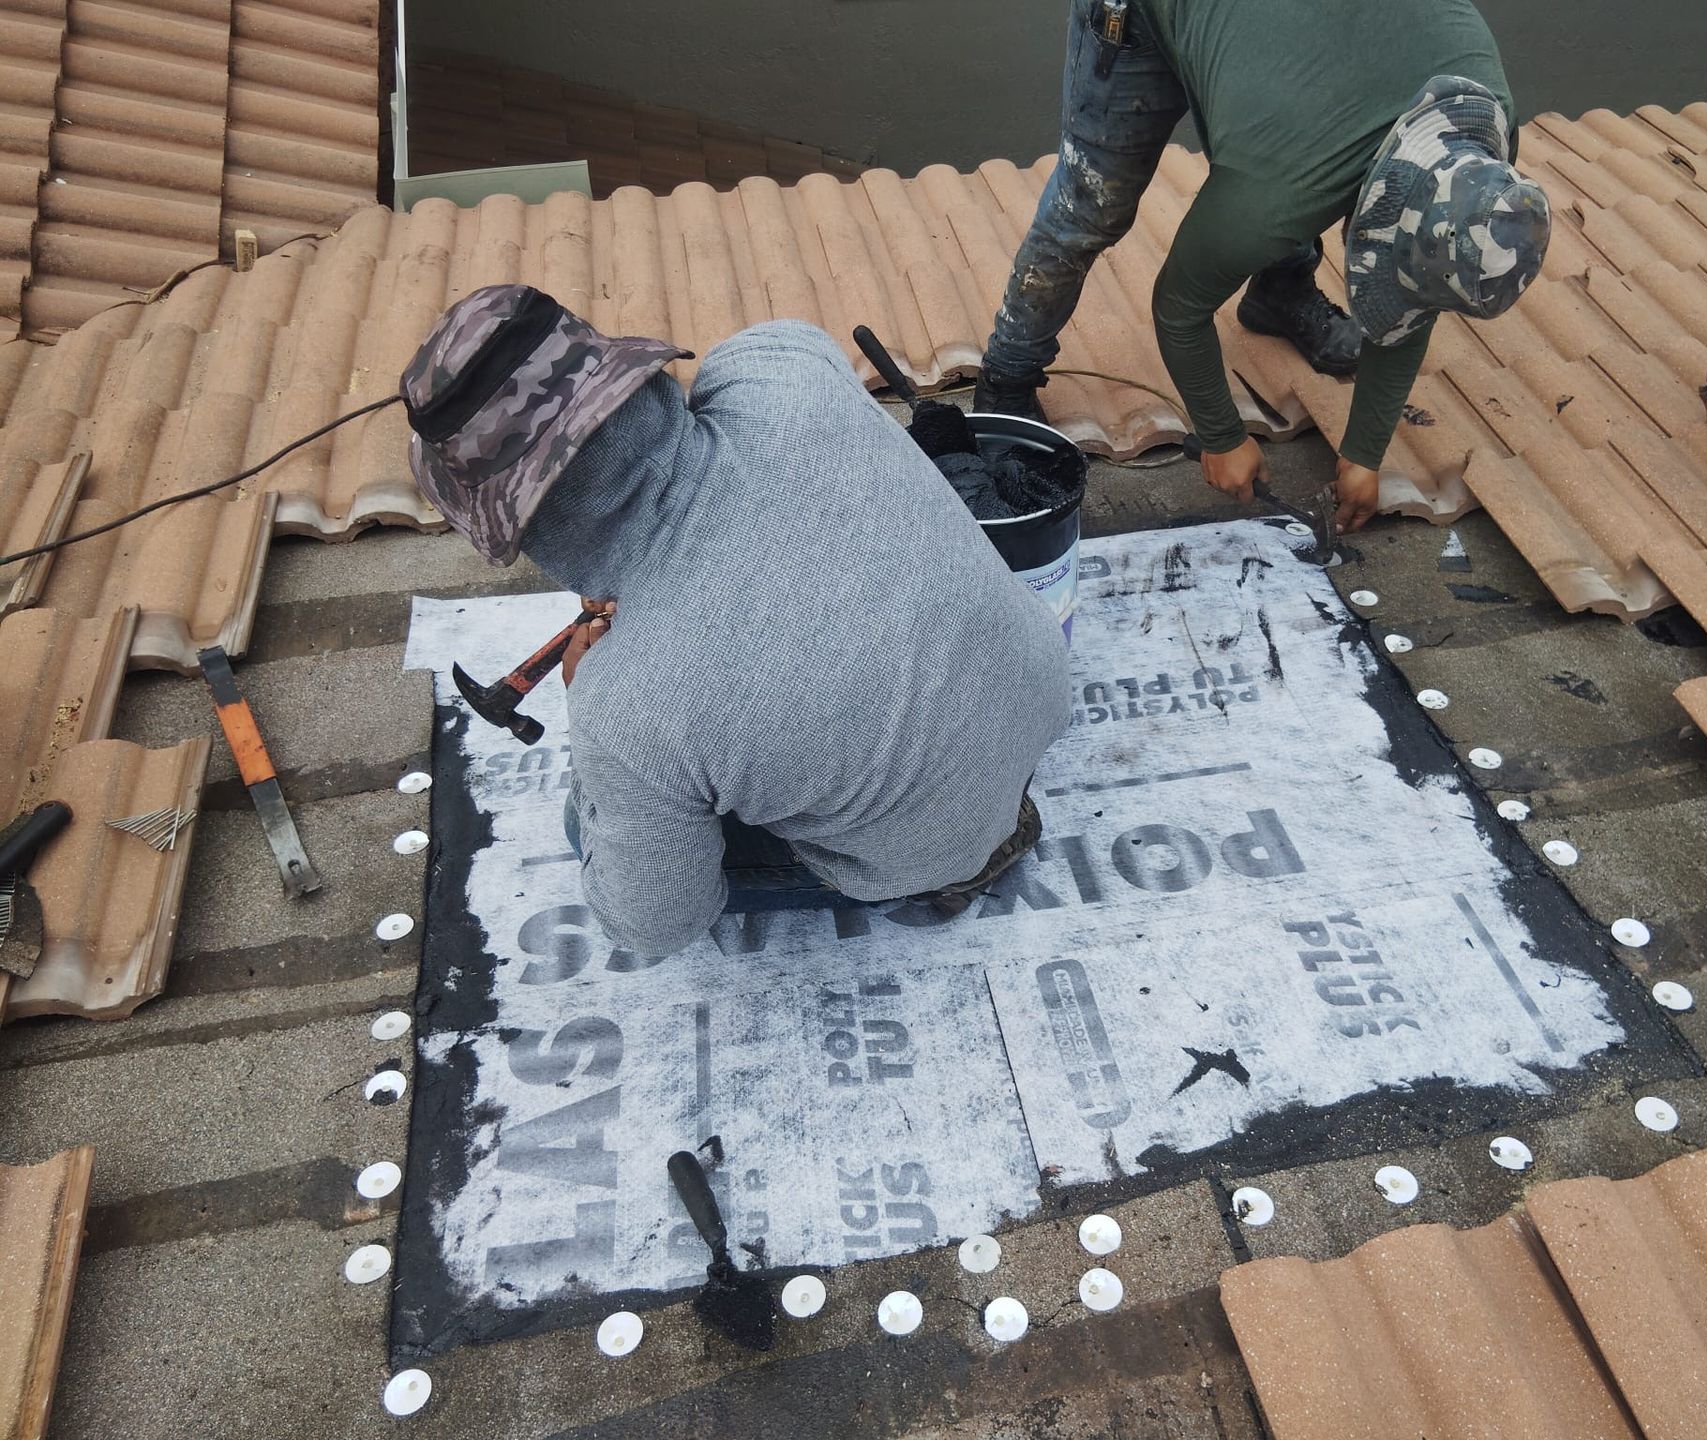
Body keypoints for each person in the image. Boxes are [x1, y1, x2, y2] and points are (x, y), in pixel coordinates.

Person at [402, 285, 1070, 957]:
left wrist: (596, 713)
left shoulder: (628, 707)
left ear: (522, 526)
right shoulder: (775, 366)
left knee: (592, 827)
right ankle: (974, 806)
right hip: (1042, 687)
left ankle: (951, 867)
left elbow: (652, 928)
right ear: (623, 379)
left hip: (933, 846)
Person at [973, 0, 1550, 535]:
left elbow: (1420, 285)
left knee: (1288, 161)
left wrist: (1365, 453)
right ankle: (1005, 379)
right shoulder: (1276, 181)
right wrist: (1221, 433)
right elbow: (1179, 307)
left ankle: (1278, 288)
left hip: (1288, 66)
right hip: (1154, 20)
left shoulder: (1485, 132)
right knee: (1091, 207)